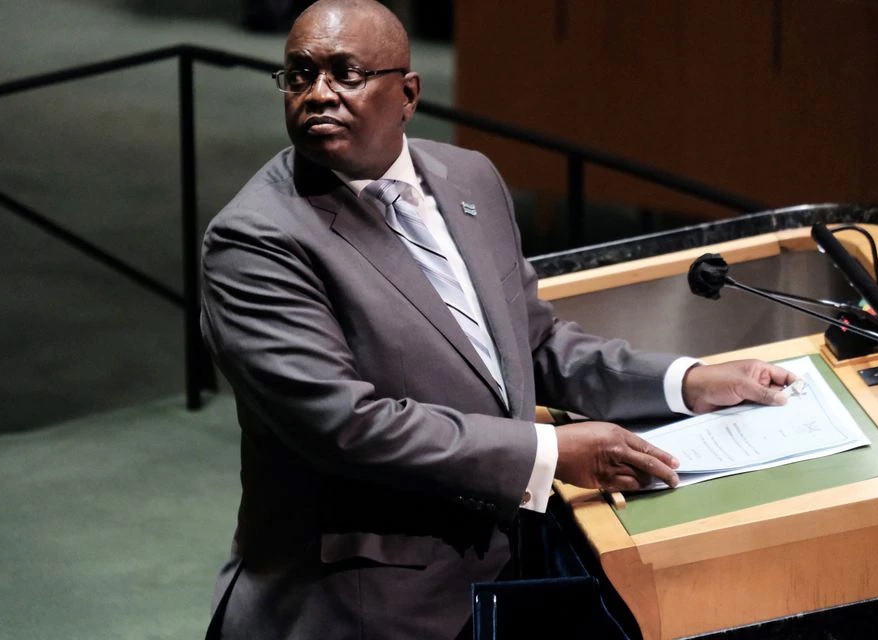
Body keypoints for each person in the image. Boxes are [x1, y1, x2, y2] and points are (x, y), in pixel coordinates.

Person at [199, 1, 796, 638]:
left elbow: (531, 343)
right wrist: (548, 453)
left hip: (505, 567)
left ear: (408, 94)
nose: (318, 94)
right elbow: (345, 425)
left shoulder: (469, 177)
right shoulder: (256, 240)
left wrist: (684, 382)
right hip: (362, 602)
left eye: (346, 73)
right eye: (299, 75)